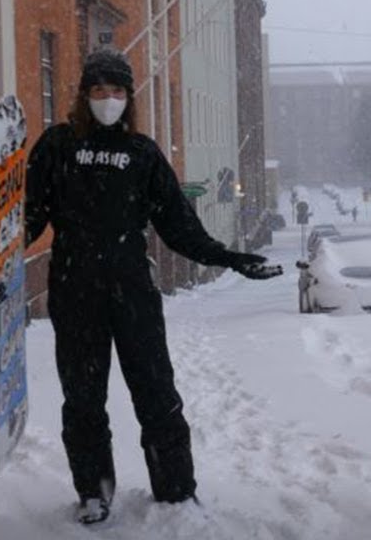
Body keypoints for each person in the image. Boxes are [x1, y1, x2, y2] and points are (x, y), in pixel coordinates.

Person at [24, 47, 281, 525]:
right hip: (75, 292)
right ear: (84, 95)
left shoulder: (142, 154)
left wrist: (227, 257)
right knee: (83, 401)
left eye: (117, 90)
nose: (108, 99)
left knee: (158, 394)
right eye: (99, 90)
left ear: (129, 97)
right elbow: (29, 219)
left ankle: (176, 491)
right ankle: (94, 493)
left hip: (133, 294)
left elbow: (178, 226)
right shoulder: (57, 146)